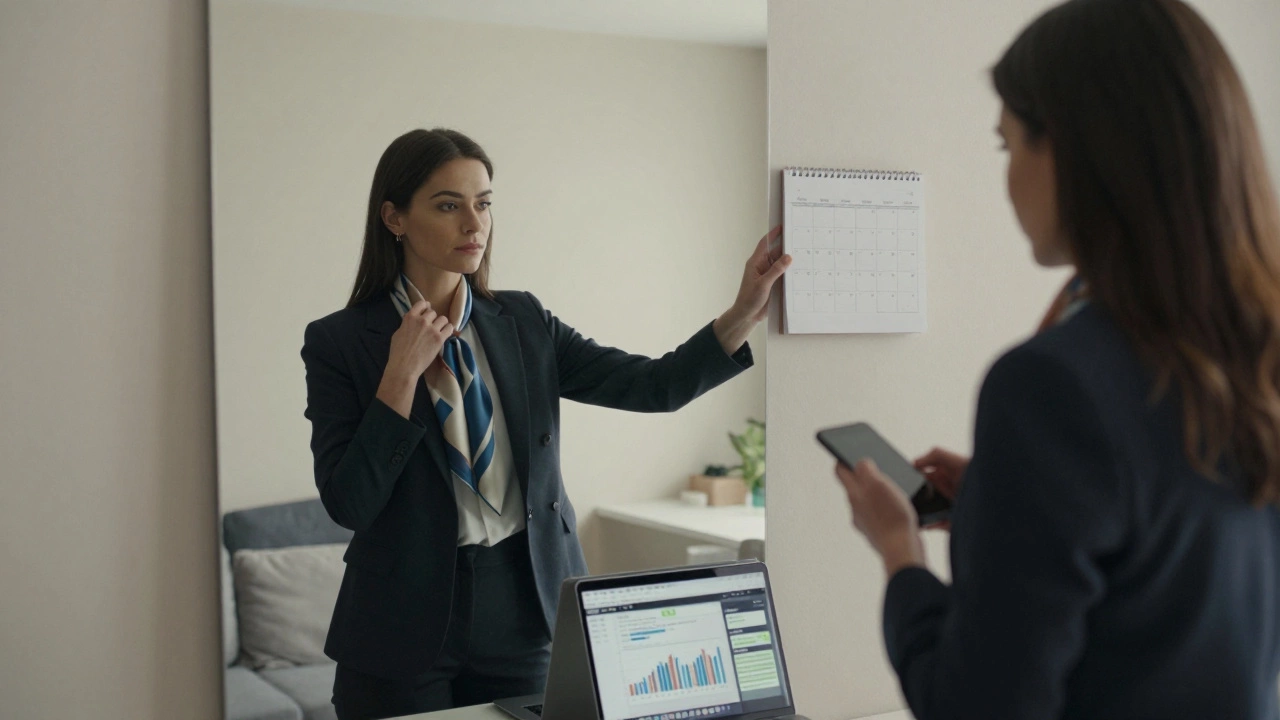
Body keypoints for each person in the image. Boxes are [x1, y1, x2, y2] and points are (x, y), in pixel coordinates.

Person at [835, 0, 1280, 718]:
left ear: (1074, 153)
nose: (1008, 178)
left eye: (1008, 146)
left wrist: (898, 551)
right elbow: (1174, 565)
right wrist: (1002, 505)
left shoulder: (1050, 384)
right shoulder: (1252, 353)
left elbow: (976, 706)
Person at [302, 127, 788, 719]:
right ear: (394, 218)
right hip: (399, 621)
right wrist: (399, 377)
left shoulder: (524, 320)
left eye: (483, 204)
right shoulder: (339, 341)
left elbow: (652, 386)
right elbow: (349, 503)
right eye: (449, 206)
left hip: (525, 607)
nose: (474, 224)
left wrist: (742, 313)